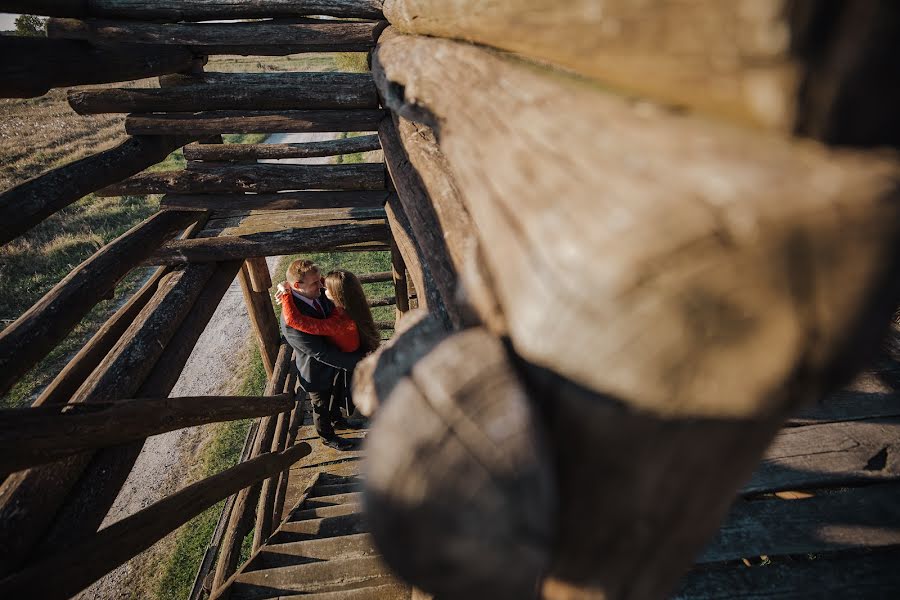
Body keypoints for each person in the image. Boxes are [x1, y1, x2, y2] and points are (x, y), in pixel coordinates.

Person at [277, 259, 364, 451]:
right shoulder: (289, 320)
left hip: (333, 362)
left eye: (320, 279)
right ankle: (328, 437)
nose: (321, 284)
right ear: (298, 286)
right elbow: (319, 352)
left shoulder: (315, 292)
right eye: (315, 282)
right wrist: (356, 362)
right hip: (315, 369)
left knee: (334, 395)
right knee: (320, 405)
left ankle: (339, 421)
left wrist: (285, 289)